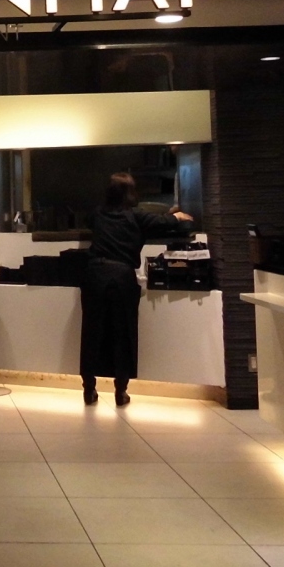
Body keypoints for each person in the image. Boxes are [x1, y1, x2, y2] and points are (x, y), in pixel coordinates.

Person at [81, 172, 193, 407]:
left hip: (94, 276)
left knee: (92, 333)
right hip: (122, 278)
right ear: (130, 193)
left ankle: (89, 389)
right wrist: (177, 216)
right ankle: (120, 391)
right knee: (123, 334)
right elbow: (166, 223)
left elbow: (88, 221)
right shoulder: (138, 216)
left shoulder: (98, 214)